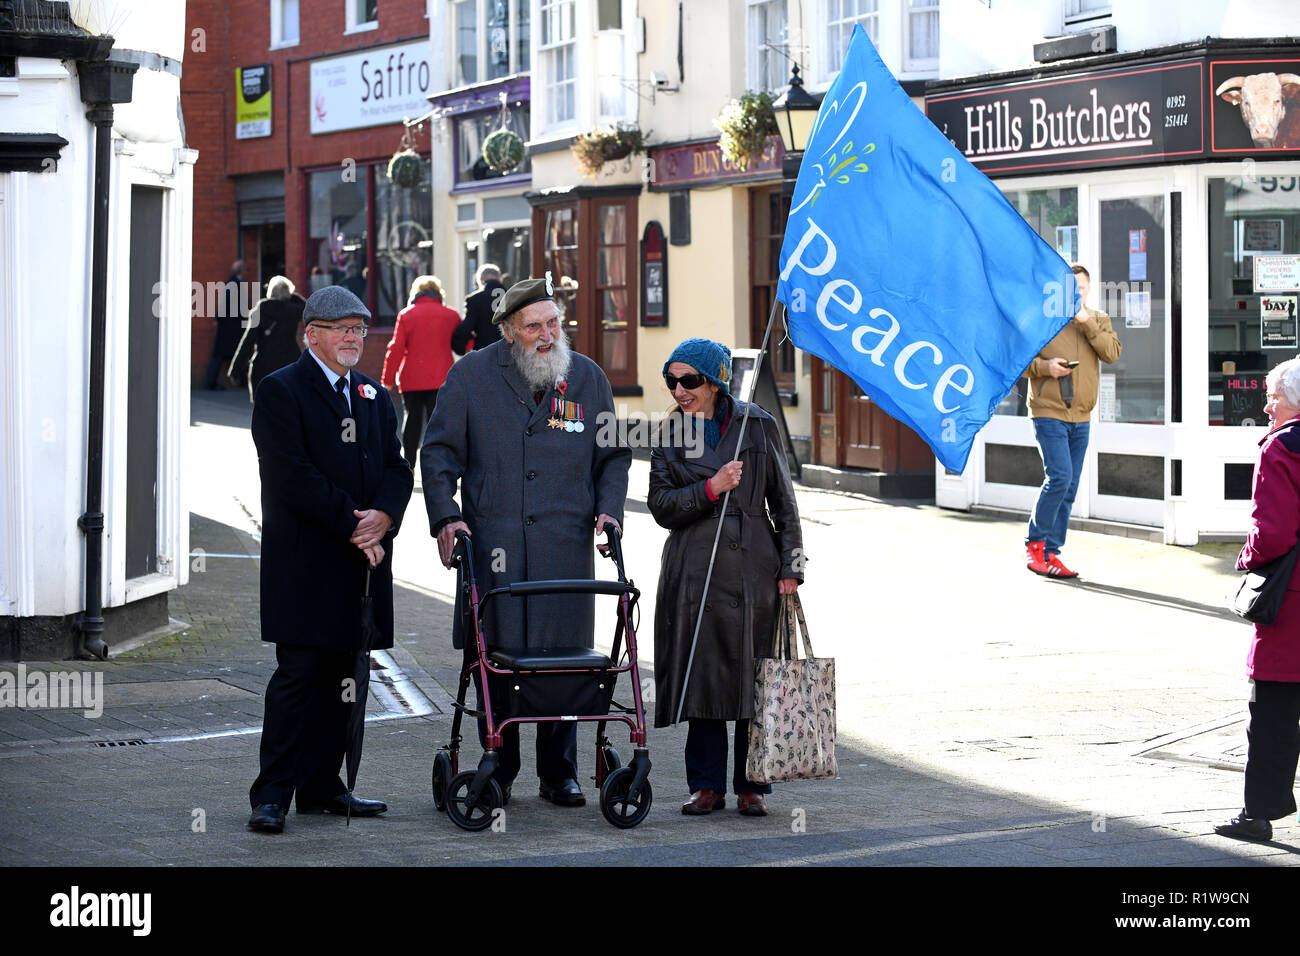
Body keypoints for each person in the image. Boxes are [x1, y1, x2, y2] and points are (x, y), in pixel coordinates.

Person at [421, 275, 631, 807]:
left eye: (553, 323)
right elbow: (439, 454)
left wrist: (609, 512)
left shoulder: (586, 378)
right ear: (509, 330)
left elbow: (613, 457)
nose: (546, 335)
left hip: (566, 547)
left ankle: (560, 771)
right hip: (497, 548)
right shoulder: (470, 376)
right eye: (533, 326)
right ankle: (501, 765)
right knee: (500, 657)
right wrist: (446, 518)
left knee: (565, 660)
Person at [247, 285, 414, 834]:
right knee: (299, 678)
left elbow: (397, 466)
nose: (352, 338)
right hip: (306, 565)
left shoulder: (371, 393)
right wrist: (354, 523)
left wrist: (384, 517)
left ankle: (322, 787)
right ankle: (271, 795)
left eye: (359, 329)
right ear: (309, 333)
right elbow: (290, 474)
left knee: (348, 677)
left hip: (360, 566)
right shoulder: (280, 391)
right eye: (341, 328)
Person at [648, 338, 804, 817]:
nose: (679, 390)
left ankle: (753, 784)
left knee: (755, 676)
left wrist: (791, 566)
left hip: (753, 569)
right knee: (705, 678)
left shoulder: (757, 424)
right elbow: (660, 506)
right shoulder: (670, 433)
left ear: (714, 381)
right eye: (671, 380)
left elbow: (784, 500)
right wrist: (710, 488)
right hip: (694, 572)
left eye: (689, 380)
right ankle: (707, 785)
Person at [1216, 357, 1300, 842]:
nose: (1267, 406)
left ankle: (1258, 815)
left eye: (1274, 397)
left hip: (1292, 602)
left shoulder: (1281, 449)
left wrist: (1248, 558)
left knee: (1272, 714)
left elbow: (1273, 535)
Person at [1023, 264, 1122, 579]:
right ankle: (1035, 544)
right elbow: (1018, 362)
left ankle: (1052, 553)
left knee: (1069, 487)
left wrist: (1087, 323)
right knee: (1060, 478)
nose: (1077, 293)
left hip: (1082, 416)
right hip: (1048, 411)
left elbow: (1112, 353)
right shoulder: (1041, 318)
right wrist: (1045, 368)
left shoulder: (1098, 319)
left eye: (1082, 288)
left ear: (1088, 290)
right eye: (1071, 288)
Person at [380, 275, 461, 468]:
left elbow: (396, 348)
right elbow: (464, 342)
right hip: (441, 377)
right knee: (438, 422)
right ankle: (437, 463)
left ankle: (409, 464)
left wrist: (387, 379)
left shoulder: (407, 315)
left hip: (412, 378)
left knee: (412, 420)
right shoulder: (450, 315)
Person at [228, 275, 306, 403]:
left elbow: (247, 342)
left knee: (264, 411)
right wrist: (291, 295)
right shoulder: (294, 310)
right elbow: (307, 307)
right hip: (289, 365)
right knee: (289, 408)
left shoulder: (259, 310)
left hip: (263, 367)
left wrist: (235, 370)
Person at [203, 259, 248, 390]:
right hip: (230, 325)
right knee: (222, 354)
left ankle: (237, 380)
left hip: (230, 325)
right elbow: (227, 304)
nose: (246, 272)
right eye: (245, 269)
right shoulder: (234, 283)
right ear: (241, 270)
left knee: (223, 354)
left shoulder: (234, 282)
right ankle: (212, 382)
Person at [451, 263, 505, 355]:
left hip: (485, 353)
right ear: (500, 280)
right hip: (511, 353)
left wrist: (460, 348)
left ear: (481, 281)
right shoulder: (514, 297)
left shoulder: (474, 299)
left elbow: (466, 328)